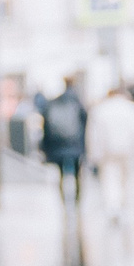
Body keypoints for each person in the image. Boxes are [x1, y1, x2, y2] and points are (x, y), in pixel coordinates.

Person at [86, 81, 134, 222]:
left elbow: (94, 135)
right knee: (126, 179)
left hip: (108, 151)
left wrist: (94, 154)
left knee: (110, 180)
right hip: (128, 150)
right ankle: (124, 207)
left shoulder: (101, 110)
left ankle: (113, 208)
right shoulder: (131, 109)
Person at [37, 75, 88, 206]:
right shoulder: (77, 101)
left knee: (60, 173)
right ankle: (76, 198)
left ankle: (63, 199)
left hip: (58, 144)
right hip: (75, 144)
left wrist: (44, 147)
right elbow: (85, 124)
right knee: (77, 173)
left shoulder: (54, 102)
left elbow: (46, 126)